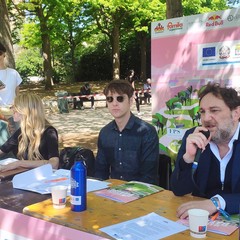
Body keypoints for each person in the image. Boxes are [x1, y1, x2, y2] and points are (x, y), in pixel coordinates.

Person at [170, 82, 240, 218]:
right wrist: (188, 158)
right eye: (202, 112)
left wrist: (216, 203)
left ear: (236, 113)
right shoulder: (195, 137)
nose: (206, 118)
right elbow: (179, 190)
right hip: (201, 220)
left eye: (214, 110)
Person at [94, 80, 159, 184]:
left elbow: (148, 177)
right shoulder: (105, 133)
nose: (114, 103)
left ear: (131, 101)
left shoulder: (146, 132)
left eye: (120, 98)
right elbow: (100, 172)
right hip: (112, 193)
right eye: (110, 99)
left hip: (143, 194)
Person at [0, 93, 59, 172]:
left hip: (44, 179)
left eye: (14, 107)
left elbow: (54, 164)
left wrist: (19, 163)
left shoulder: (49, 132)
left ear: (25, 111)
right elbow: (3, 150)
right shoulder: (21, 131)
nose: (11, 109)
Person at [0, 42, 22, 135]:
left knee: (17, 141)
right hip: (0, 115)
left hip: (14, 113)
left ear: (4, 54)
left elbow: (18, 94)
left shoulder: (14, 73)